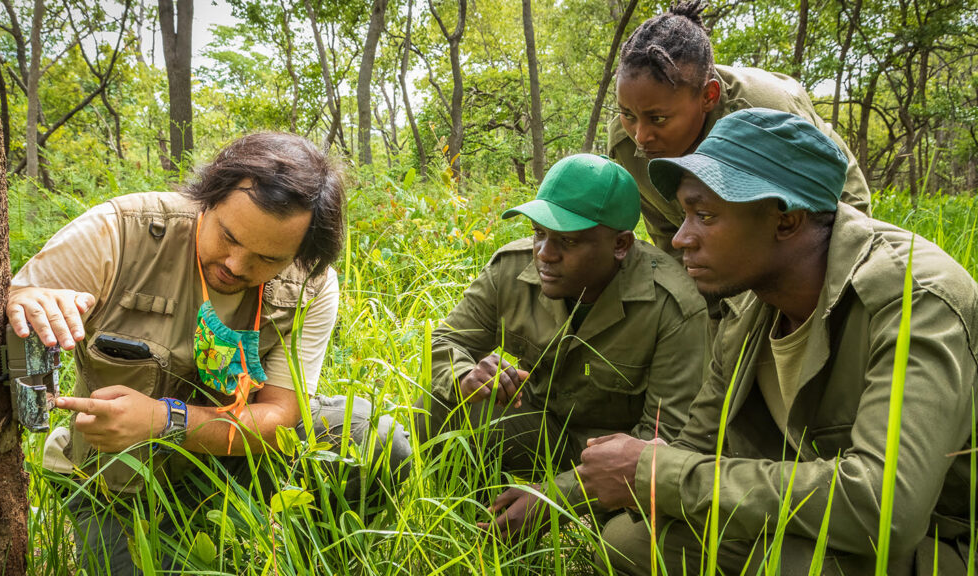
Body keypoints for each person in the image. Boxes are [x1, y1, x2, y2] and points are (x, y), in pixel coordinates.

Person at [576, 108, 977, 575]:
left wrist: (651, 472)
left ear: (786, 221)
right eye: (685, 214)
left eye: (704, 215)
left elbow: (885, 509)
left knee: (790, 566)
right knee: (632, 541)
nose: (681, 238)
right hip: (823, 516)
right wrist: (616, 476)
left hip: (944, 537)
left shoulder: (914, 298)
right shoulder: (750, 310)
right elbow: (699, 445)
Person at [8, 133, 411, 573]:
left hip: (237, 462)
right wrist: (25, 297)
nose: (236, 265)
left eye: (267, 258)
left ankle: (313, 559)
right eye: (228, 236)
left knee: (372, 440)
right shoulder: (119, 231)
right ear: (208, 198)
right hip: (117, 483)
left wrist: (164, 421)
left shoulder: (312, 284)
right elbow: (24, 294)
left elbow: (280, 418)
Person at [418, 154, 708, 539]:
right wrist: (466, 377)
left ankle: (572, 521)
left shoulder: (673, 306)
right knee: (438, 404)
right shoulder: (511, 267)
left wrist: (557, 497)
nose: (545, 253)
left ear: (621, 244)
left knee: (626, 540)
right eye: (539, 232)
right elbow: (446, 340)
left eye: (567, 240)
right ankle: (474, 524)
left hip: (616, 462)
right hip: (542, 429)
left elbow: (666, 437)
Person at [607, 0, 871, 258]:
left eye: (659, 119)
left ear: (708, 96)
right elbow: (671, 243)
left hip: (826, 197)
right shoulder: (626, 145)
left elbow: (820, 210)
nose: (641, 136)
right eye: (627, 114)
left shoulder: (765, 114)